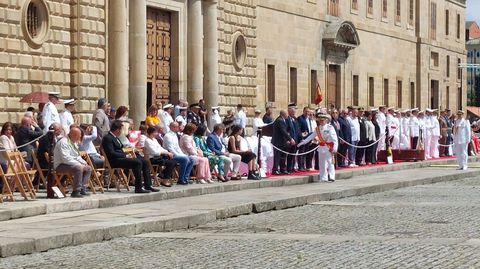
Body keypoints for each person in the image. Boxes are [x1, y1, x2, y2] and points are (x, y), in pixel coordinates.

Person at [102, 120, 159, 193]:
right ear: (117, 129)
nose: (121, 132)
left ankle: (148, 185)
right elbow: (111, 153)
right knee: (137, 162)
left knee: (145, 162)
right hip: (114, 160)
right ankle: (138, 187)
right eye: (121, 129)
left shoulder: (115, 137)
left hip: (121, 158)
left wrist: (129, 153)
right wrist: (125, 155)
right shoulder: (108, 138)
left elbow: (121, 148)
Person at [53, 126, 92, 198]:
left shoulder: (73, 142)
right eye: (79, 135)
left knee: (88, 168)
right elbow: (66, 159)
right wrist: (79, 164)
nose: (80, 136)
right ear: (74, 135)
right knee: (78, 168)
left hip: (70, 164)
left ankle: (82, 189)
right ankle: (76, 191)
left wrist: (83, 162)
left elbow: (76, 156)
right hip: (61, 165)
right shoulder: (63, 142)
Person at [315, 113, 338, 182]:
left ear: (326, 120)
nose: (321, 121)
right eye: (320, 120)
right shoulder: (318, 128)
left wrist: (335, 148)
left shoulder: (330, 127)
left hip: (328, 147)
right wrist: (304, 142)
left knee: (330, 162)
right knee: (322, 163)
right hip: (321, 147)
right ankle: (323, 177)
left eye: (323, 120)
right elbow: (312, 136)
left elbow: (335, 139)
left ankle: (331, 176)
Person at [271, 110, 294, 175]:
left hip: (282, 142)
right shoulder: (280, 120)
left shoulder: (283, 120)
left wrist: (287, 140)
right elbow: (283, 131)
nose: (288, 115)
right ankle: (275, 170)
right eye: (287, 114)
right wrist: (290, 139)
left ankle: (282, 169)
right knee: (277, 156)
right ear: (283, 114)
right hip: (277, 142)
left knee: (283, 156)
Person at [297, 107, 314, 171]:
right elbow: (298, 129)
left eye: (308, 112)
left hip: (308, 138)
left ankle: (303, 166)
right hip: (303, 139)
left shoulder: (309, 119)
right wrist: (301, 136)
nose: (307, 113)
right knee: (301, 152)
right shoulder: (300, 118)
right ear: (303, 111)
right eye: (306, 111)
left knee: (306, 152)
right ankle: (300, 166)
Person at [286, 103, 300, 173]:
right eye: (294, 109)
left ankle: (292, 167)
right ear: (289, 110)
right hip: (290, 140)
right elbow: (286, 130)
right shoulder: (287, 118)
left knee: (294, 154)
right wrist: (288, 139)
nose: (295, 111)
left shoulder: (294, 118)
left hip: (295, 139)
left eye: (295, 109)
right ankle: (288, 168)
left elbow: (297, 129)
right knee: (289, 155)